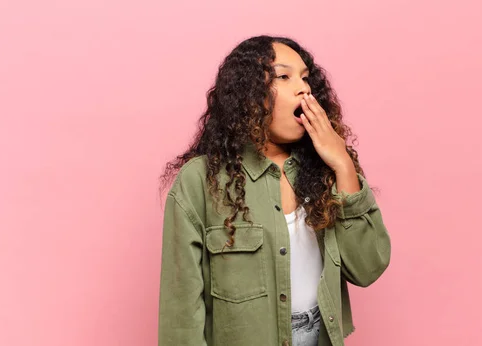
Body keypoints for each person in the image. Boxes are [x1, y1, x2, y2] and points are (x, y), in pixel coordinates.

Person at [158, 35, 391, 346]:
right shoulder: (199, 181)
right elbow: (181, 313)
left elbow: (368, 268)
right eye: (284, 76)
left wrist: (343, 165)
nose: (304, 88)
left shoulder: (326, 173)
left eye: (306, 79)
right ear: (249, 94)